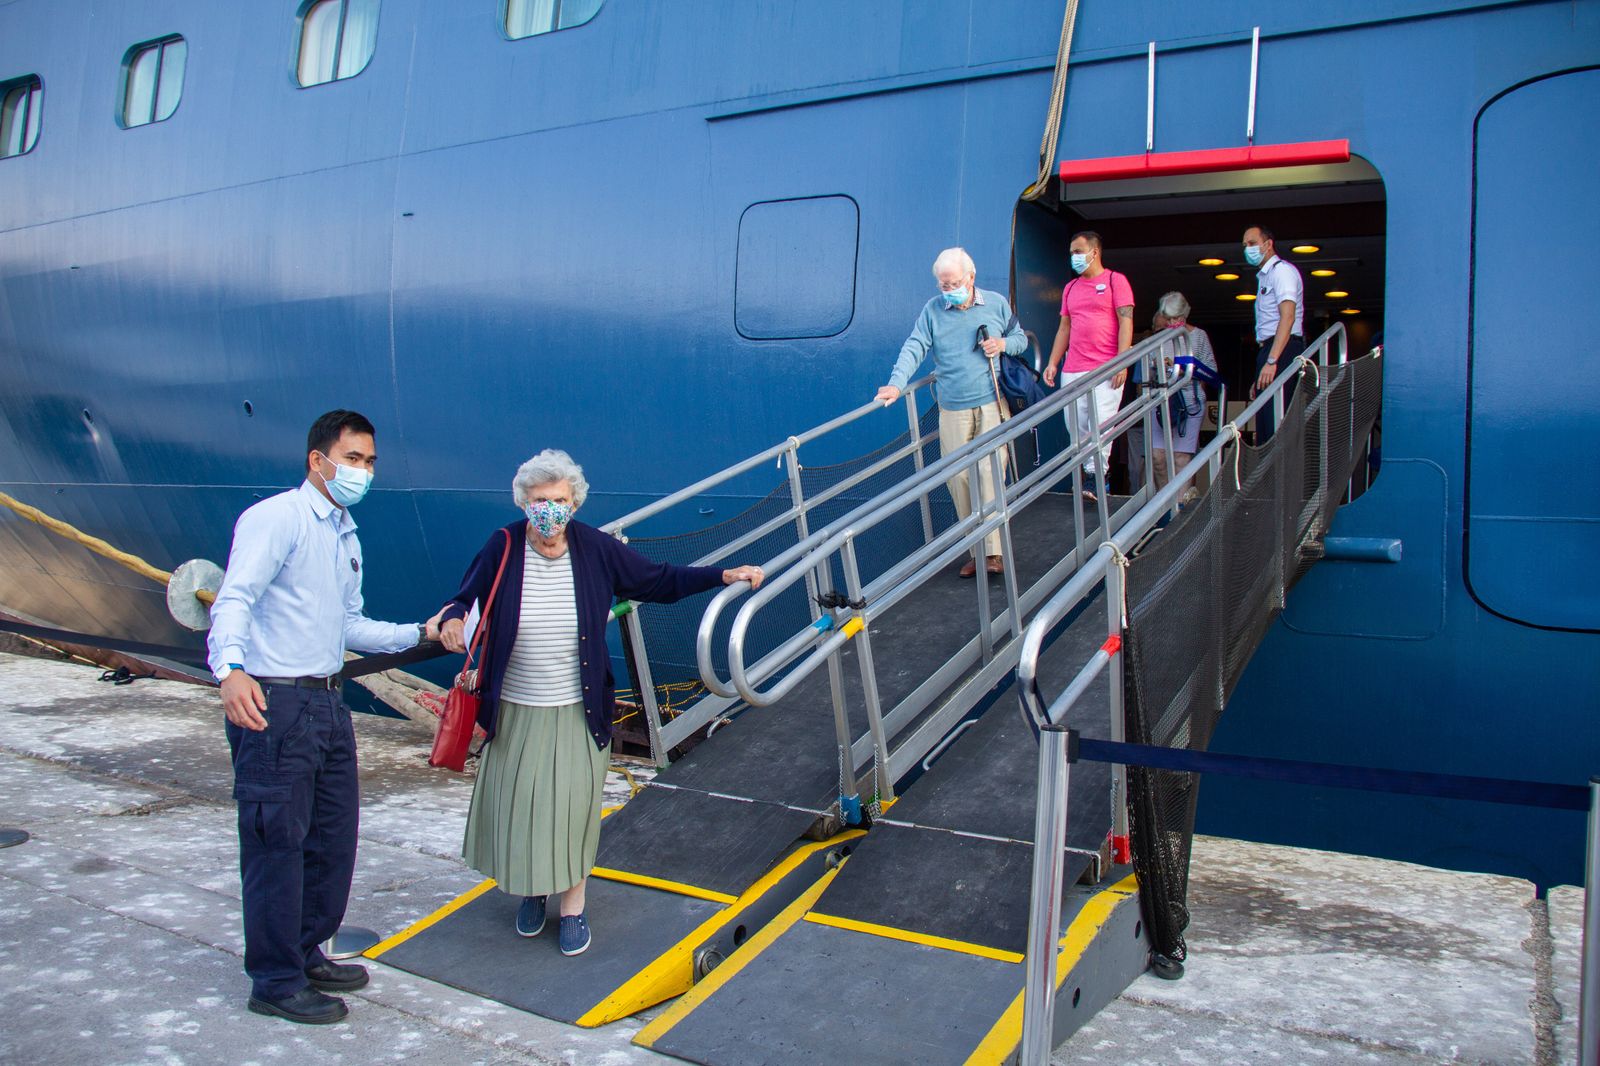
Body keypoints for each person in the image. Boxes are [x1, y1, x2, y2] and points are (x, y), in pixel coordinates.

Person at [436, 450, 764, 957]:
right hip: (518, 706)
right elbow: (465, 597)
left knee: (570, 813)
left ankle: (571, 907)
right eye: (541, 500)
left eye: (560, 500)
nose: (550, 510)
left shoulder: (594, 548)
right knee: (525, 810)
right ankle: (533, 889)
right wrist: (454, 618)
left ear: (575, 503)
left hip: (576, 707)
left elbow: (659, 580)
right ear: (525, 502)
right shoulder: (502, 545)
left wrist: (720, 576)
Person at [207, 409, 440, 1025]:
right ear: (320, 461)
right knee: (275, 843)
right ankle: (275, 980)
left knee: (331, 839)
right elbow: (235, 598)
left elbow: (349, 624)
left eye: (369, 462)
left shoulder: (344, 531)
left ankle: (306, 949)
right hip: (274, 702)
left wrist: (424, 632)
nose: (363, 472)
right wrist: (230, 670)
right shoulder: (276, 519)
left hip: (327, 702)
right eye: (354, 459)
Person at [875, 247, 1027, 577]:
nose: (949, 290)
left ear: (971, 278)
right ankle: (977, 549)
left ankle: (994, 554)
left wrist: (1001, 345)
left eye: (954, 283)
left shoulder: (996, 304)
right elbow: (914, 346)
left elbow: (1020, 340)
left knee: (988, 475)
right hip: (953, 407)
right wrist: (896, 384)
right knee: (958, 478)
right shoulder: (933, 311)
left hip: (990, 402)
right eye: (943, 285)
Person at [1042, 231, 1135, 502]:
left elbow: (1126, 321)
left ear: (1095, 252)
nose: (1074, 257)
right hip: (1073, 367)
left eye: (1079, 251)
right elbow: (1064, 327)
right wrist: (1053, 362)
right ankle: (1087, 474)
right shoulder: (1070, 288)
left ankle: (1097, 477)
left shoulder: (1116, 281)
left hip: (1105, 366)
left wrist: (1122, 362)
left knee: (1101, 423)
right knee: (1076, 425)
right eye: (1071, 252)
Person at [1148, 292, 1218, 499]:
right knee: (1158, 457)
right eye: (1168, 319)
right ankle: (1165, 504)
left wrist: (1188, 368)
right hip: (1162, 403)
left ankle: (1179, 507)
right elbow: (1150, 371)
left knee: (1181, 457)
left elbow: (1211, 371)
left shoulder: (1199, 336)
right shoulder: (1159, 339)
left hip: (1189, 402)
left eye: (1176, 318)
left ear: (1185, 314)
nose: (1172, 323)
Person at [1243, 224, 1305, 442]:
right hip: (1270, 349)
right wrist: (1264, 365)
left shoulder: (1283, 271)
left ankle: (1280, 474)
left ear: (1268, 244)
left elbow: (1287, 317)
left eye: (1252, 243)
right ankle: (1271, 474)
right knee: (1265, 421)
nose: (1247, 249)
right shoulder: (1265, 277)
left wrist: (1272, 360)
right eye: (1245, 245)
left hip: (1283, 349)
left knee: (1276, 422)